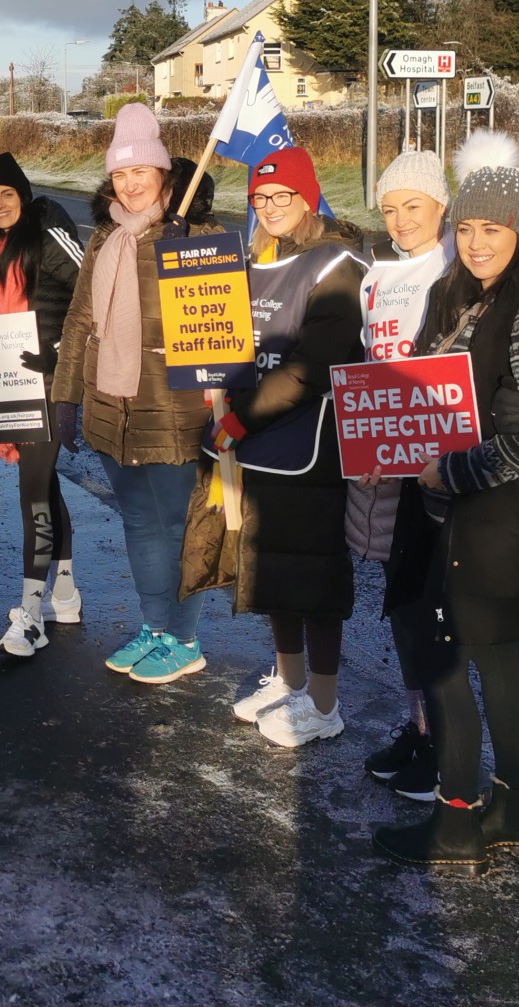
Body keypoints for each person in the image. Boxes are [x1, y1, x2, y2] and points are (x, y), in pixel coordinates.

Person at [373, 131, 519, 876]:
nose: (477, 242)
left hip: (494, 514)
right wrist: (379, 432)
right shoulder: (458, 291)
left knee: (457, 658)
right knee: (486, 657)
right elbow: (418, 386)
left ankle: (457, 823)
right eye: (469, 228)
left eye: (494, 229)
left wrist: (450, 472)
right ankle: (516, 810)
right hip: (448, 510)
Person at [184, 146, 366, 745]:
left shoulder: (335, 263)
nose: (269, 207)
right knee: (270, 573)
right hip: (255, 440)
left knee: (313, 579)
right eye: (260, 198)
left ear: (308, 197)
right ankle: (289, 682)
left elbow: (316, 364)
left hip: (309, 445)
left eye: (282, 196)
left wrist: (243, 418)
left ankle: (324, 700)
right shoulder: (251, 258)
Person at [50, 105, 218, 686]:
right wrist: (65, 398)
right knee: (139, 522)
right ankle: (154, 626)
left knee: (179, 525)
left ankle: (185, 637)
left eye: (141, 171)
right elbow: (79, 323)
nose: (130, 183)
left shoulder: (199, 237)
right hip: (109, 408)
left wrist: (182, 257)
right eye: (120, 174)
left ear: (165, 174)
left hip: (173, 414)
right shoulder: (102, 239)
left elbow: (219, 335)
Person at [348, 150, 455, 797]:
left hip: (441, 469)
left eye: (412, 206)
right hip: (388, 466)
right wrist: (362, 445)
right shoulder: (375, 277)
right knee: (399, 605)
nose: (400, 220)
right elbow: (368, 367)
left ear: (441, 206)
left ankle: (446, 744)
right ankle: (419, 726)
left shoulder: (456, 269)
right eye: (389, 209)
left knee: (432, 612)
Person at [0, 153, 86, 657]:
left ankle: (30, 614)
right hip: (11, 379)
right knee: (43, 484)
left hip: (48, 381)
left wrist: (57, 349)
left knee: (32, 488)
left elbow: (89, 291)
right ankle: (66, 592)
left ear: (24, 196)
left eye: (7, 194)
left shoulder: (46, 229)